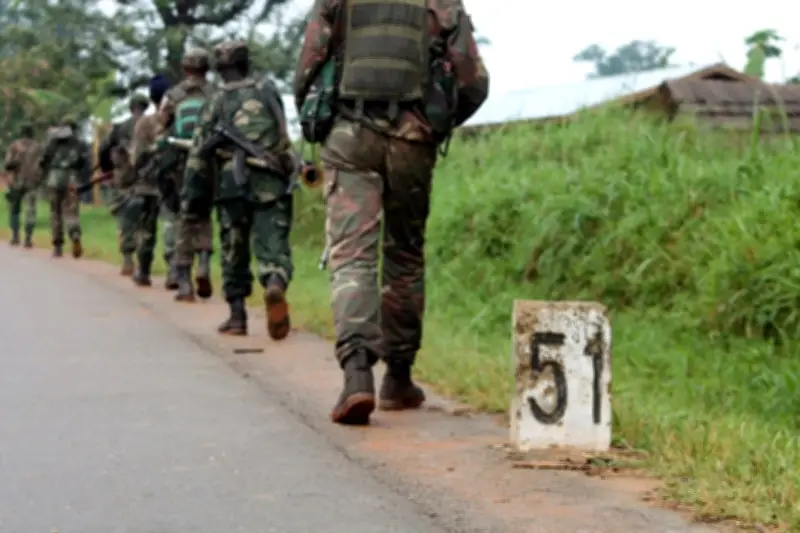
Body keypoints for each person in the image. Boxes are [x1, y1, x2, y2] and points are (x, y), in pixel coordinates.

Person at [292, 0, 490, 425]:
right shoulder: (441, 4)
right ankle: (398, 379)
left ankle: (357, 375)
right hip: (412, 140)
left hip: (348, 135)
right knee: (404, 256)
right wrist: (437, 122)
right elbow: (474, 82)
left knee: (351, 256)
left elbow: (307, 67)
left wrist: (312, 115)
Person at [182, 40, 294, 338]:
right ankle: (274, 284)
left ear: (219, 70)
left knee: (234, 248)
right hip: (271, 180)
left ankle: (237, 317)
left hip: (231, 185)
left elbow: (197, 157)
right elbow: (284, 134)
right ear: (247, 64)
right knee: (274, 243)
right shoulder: (268, 90)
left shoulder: (215, 101)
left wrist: (192, 200)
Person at [155, 49, 215, 299]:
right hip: (210, 162)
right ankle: (204, 264)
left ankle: (184, 281)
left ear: (184, 68)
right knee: (205, 214)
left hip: (182, 165)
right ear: (207, 69)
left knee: (184, 218)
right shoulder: (215, 93)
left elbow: (161, 129)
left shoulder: (173, 96)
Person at [98, 95, 150, 275]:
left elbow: (103, 149)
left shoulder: (120, 128)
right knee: (147, 221)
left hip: (125, 178)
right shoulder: (152, 124)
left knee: (126, 218)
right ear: (145, 107)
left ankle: (128, 258)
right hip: (148, 178)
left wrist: (107, 169)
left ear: (130, 108)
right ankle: (145, 263)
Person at [128, 78, 170, 287]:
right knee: (174, 224)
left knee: (146, 229)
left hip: (148, 184)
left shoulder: (144, 123)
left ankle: (143, 271)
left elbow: (135, 157)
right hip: (173, 182)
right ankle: (176, 273)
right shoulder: (176, 119)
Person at [39, 117, 91, 258]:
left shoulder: (52, 141)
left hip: (54, 179)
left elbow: (43, 161)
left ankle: (57, 246)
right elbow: (84, 163)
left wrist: (45, 174)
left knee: (55, 213)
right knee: (71, 212)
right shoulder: (80, 144)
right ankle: (74, 235)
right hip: (71, 179)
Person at [3, 124, 42, 248]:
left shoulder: (15, 146)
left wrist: (17, 159)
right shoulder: (38, 147)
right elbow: (43, 165)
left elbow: (7, 164)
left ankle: (15, 236)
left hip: (16, 182)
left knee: (14, 210)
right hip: (32, 182)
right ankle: (28, 238)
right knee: (31, 210)